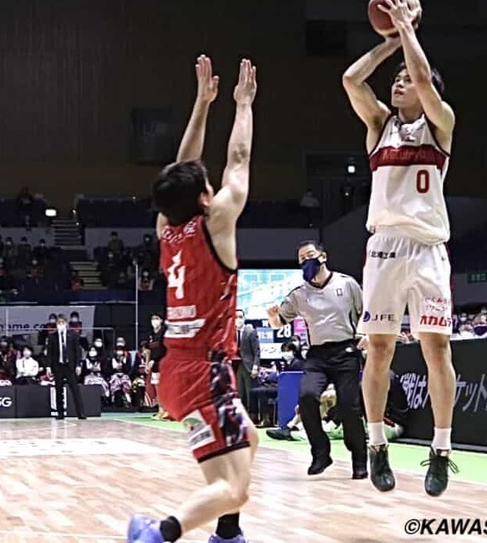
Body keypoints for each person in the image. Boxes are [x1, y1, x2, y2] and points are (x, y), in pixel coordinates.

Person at [127, 55, 258, 543]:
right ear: (205, 198)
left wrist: (202, 105)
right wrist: (242, 105)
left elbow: (181, 169)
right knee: (234, 486)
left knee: (248, 440)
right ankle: (156, 534)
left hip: (175, 373)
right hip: (207, 371)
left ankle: (227, 537)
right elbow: (239, 161)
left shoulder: (166, 230)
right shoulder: (215, 223)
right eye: (207, 184)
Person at [342, 0, 457, 496]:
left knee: (436, 347)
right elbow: (350, 78)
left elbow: (427, 83)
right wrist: (390, 39)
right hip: (385, 247)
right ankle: (375, 444)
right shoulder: (377, 126)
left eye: (407, 79)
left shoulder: (440, 124)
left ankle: (441, 448)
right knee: (380, 351)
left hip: (428, 249)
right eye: (396, 80)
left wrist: (409, 31)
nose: (398, 84)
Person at [266, 241, 368, 479]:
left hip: (346, 351)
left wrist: (365, 336)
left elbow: (365, 312)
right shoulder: (299, 295)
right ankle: (321, 452)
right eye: (301, 259)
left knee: (350, 407)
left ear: (323, 256)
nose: (306, 261)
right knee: (307, 397)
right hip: (317, 355)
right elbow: (280, 321)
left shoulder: (347, 284)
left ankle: (359, 460)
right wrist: (272, 318)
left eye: (310, 255)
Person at [46, 315, 87, 420]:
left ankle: (80, 413)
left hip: (70, 366)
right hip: (58, 366)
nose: (60, 325)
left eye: (62, 322)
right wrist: (48, 367)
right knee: (58, 390)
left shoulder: (73, 335)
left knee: (75, 390)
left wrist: (78, 365)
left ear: (66, 323)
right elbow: (49, 354)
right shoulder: (52, 336)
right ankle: (60, 413)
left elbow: (77, 352)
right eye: (58, 323)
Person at [233, 309, 260, 414]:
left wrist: (255, 366)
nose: (238, 319)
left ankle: (253, 415)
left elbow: (257, 351)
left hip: (248, 365)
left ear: (244, 318)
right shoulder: (231, 333)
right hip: (236, 365)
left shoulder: (250, 332)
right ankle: (242, 414)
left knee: (250, 392)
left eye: (240, 317)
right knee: (240, 392)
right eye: (236, 317)